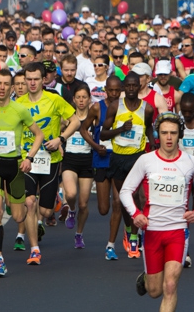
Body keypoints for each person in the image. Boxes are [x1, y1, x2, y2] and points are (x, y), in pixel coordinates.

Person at [122, 112, 194, 312]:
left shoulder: (192, 162)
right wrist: (136, 214)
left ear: (180, 134)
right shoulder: (146, 160)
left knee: (170, 286)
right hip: (152, 230)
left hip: (178, 231)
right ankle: (147, 279)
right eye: (164, 133)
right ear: (158, 135)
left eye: (173, 133)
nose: (169, 137)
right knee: (155, 291)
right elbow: (125, 191)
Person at [0, 68, 45, 277]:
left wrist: (29, 157)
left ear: (12, 88)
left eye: (6, 84)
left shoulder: (20, 110)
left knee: (18, 215)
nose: (2, 88)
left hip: (15, 166)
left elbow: (39, 135)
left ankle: (32, 219)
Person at [17, 62, 80, 265]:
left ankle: (50, 208)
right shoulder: (18, 103)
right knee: (29, 203)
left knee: (44, 211)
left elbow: (76, 121)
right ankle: (34, 249)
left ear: (44, 80)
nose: (32, 83)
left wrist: (60, 139)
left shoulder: (54, 99)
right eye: (28, 79)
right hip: (26, 158)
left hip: (49, 159)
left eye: (36, 79)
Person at [100, 72, 156, 259]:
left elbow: (149, 128)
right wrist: (121, 129)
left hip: (137, 157)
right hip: (118, 158)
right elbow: (103, 134)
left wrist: (153, 145)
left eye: (135, 85)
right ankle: (128, 226)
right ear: (124, 87)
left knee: (137, 196)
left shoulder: (147, 109)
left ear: (140, 87)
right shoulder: (116, 106)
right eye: (128, 86)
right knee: (125, 199)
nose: (131, 88)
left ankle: (133, 237)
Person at [80, 75, 125, 260]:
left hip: (119, 159)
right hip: (101, 159)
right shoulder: (97, 107)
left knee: (118, 202)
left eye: (117, 90)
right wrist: (95, 145)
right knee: (103, 208)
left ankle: (111, 245)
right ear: (105, 90)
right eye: (111, 90)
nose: (114, 93)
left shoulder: (125, 108)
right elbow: (83, 129)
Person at [60, 83, 101, 249]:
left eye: (84, 97)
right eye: (78, 97)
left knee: (83, 204)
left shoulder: (94, 118)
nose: (81, 100)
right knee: (71, 194)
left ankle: (79, 234)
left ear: (89, 98)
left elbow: (101, 133)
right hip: (70, 160)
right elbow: (57, 133)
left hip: (87, 162)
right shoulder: (68, 118)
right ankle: (71, 209)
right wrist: (59, 145)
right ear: (74, 99)